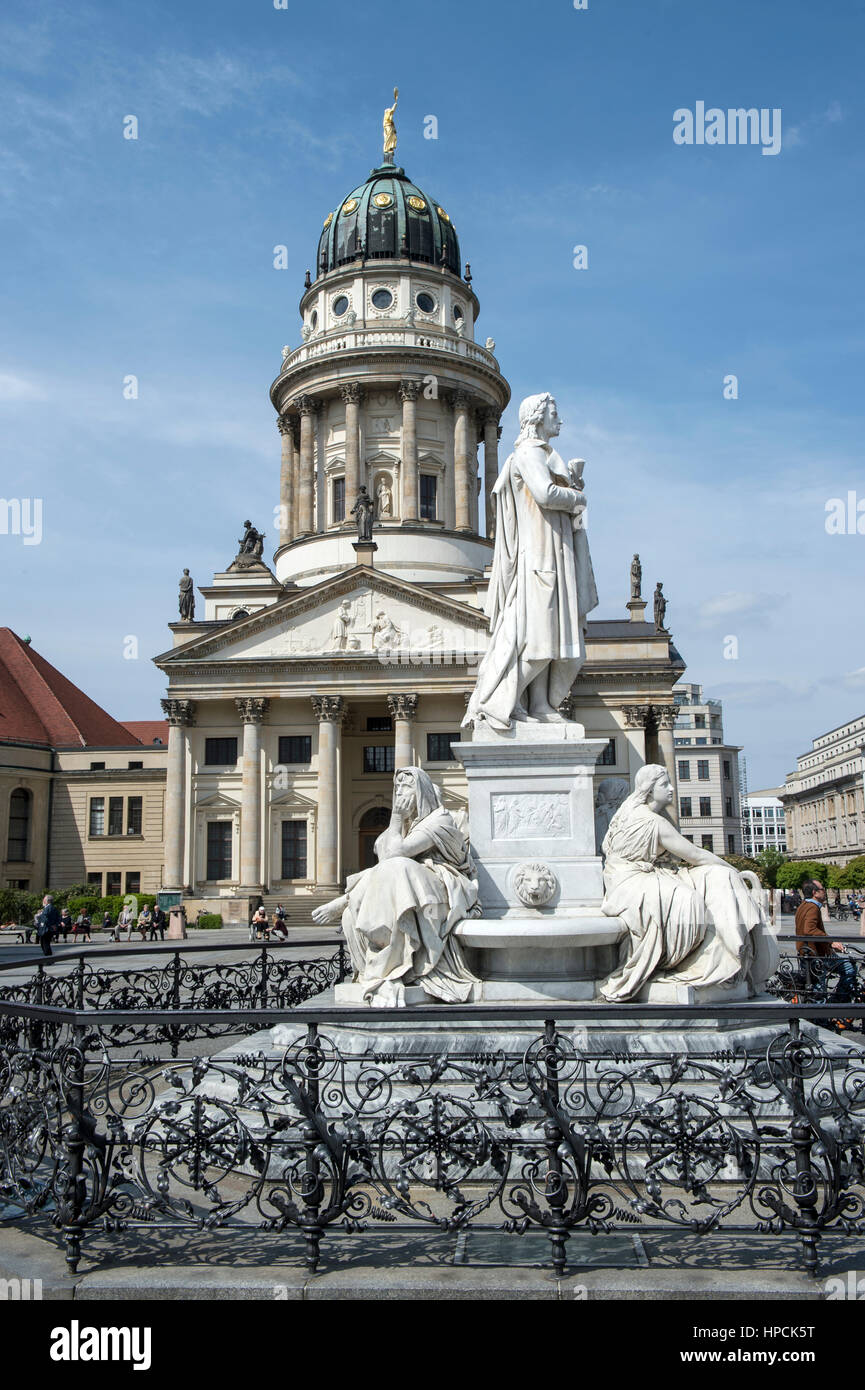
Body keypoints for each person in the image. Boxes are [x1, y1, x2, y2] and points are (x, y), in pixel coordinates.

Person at [463, 392, 598, 731]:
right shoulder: (527, 454)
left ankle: (538, 704)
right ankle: (498, 702)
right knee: (539, 635)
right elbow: (545, 494)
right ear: (538, 416)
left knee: (548, 639)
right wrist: (578, 495)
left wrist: (571, 482)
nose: (560, 419)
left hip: (552, 552)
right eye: (555, 412)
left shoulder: (543, 454)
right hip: (539, 558)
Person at [599, 764, 777, 1003]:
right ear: (650, 790)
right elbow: (696, 855)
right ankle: (716, 960)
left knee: (717, 877)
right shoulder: (652, 821)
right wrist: (734, 870)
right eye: (665, 784)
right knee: (695, 894)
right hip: (633, 882)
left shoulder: (626, 813)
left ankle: (727, 957)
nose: (672, 789)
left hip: (639, 876)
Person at [312, 766, 479, 1006]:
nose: (400, 793)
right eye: (397, 787)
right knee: (391, 875)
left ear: (421, 791)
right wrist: (398, 821)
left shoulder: (438, 819)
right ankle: (351, 909)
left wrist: (397, 816)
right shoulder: (407, 826)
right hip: (411, 884)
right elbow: (383, 856)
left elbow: (396, 854)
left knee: (399, 867)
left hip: (444, 885)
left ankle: (347, 901)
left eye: (407, 786)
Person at [795, 880, 857, 1003]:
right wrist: (830, 942)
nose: (824, 892)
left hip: (807, 952)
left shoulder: (804, 905)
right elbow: (809, 929)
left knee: (817, 989)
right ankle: (837, 1001)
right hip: (817, 954)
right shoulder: (812, 908)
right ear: (815, 893)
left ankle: (828, 1006)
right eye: (822, 889)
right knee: (848, 968)